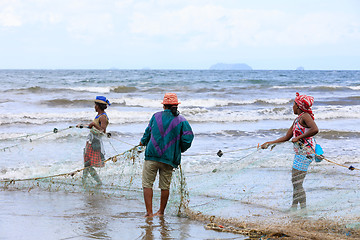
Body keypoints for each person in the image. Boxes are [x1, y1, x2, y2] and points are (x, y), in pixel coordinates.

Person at [139, 93, 194, 217]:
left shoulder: (155, 116)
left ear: (164, 105)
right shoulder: (182, 120)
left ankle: (149, 213)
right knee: (165, 186)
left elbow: (147, 132)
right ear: (176, 105)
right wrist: (180, 149)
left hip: (152, 155)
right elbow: (188, 138)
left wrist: (142, 142)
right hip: (169, 159)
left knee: (147, 184)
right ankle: (161, 212)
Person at [261, 92, 319, 211]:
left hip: (306, 152)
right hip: (300, 153)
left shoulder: (305, 116)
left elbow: (315, 129)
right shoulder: (297, 119)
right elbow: (287, 137)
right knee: (296, 183)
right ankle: (295, 208)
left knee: (297, 183)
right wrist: (269, 143)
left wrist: (299, 137)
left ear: (298, 106)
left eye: (293, 104)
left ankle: (302, 210)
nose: (292, 106)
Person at [77, 96, 111, 187]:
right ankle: (85, 181)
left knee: (88, 164)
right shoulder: (99, 115)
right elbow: (91, 126)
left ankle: (94, 182)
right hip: (91, 141)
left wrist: (94, 124)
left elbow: (103, 131)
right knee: (87, 164)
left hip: (95, 143)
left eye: (95, 105)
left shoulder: (103, 117)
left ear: (98, 106)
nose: (94, 106)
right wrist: (81, 125)